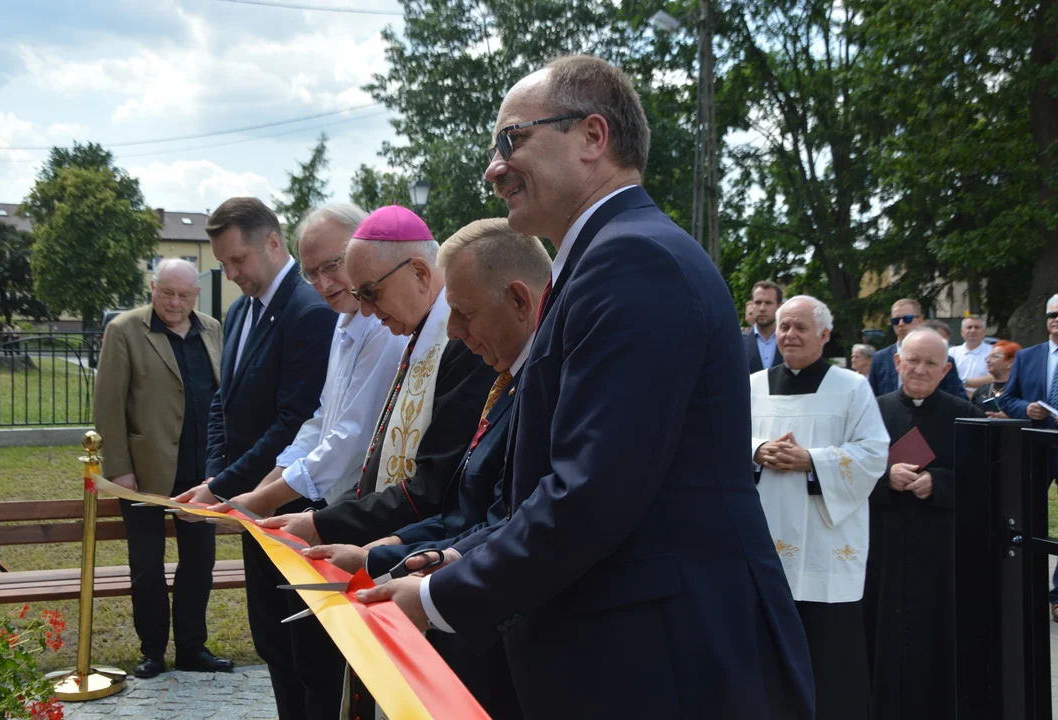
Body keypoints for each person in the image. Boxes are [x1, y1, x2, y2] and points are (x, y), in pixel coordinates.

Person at [357, 55, 814, 719]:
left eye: (511, 140)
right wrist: (445, 565)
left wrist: (436, 599)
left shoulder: (633, 260)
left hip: (661, 660)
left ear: (592, 138)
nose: (493, 168)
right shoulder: (609, 258)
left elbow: (592, 492)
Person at [257, 206, 498, 720]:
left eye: (369, 292)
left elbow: (430, 485)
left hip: (428, 559)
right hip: (399, 545)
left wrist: (329, 525)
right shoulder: (414, 330)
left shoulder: (456, 344)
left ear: (417, 272)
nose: (364, 309)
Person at [307, 218, 550, 720]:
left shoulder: (539, 387)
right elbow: (467, 502)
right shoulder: (507, 376)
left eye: (463, 313)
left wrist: (422, 569)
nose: (454, 331)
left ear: (522, 303)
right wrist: (388, 552)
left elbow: (504, 517)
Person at [202, 203, 406, 716]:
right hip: (316, 510)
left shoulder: (378, 323)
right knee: (305, 660)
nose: (323, 281)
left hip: (355, 517)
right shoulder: (344, 320)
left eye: (332, 265)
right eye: (313, 271)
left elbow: (349, 437)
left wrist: (263, 494)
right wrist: (258, 488)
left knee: (333, 669)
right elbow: (318, 420)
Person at [173, 197, 337, 720]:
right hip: (251, 504)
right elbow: (223, 402)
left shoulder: (309, 310)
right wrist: (217, 475)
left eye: (238, 260)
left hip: (293, 505)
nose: (232, 272)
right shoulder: (241, 310)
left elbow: (293, 421)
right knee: (269, 637)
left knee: (305, 649)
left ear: (272, 242)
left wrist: (226, 486)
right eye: (223, 263)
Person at [751, 296, 888, 720]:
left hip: (823, 538)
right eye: (784, 326)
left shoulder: (850, 387)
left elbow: (873, 453)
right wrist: (757, 450)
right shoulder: (752, 386)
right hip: (763, 532)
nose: (789, 335)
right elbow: (719, 440)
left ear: (825, 336)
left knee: (826, 651)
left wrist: (812, 460)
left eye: (800, 328)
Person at [92, 259, 229, 679]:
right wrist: (119, 470)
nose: (174, 302)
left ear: (197, 295)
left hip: (202, 473)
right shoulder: (124, 330)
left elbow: (222, 398)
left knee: (199, 563)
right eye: (166, 292)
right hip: (143, 473)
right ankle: (152, 651)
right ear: (152, 287)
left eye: (184, 295)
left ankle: (192, 648)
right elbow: (108, 406)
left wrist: (222, 467)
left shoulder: (212, 329)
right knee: (147, 568)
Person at [864, 329, 985, 720]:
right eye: (912, 360)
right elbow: (843, 471)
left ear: (946, 369)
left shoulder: (968, 417)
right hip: (880, 547)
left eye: (931, 363)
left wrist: (941, 482)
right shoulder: (870, 411)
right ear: (897, 362)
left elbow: (986, 480)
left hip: (938, 551)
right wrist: (885, 477)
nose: (920, 369)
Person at [999, 293, 1058, 621]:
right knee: (1027, 517)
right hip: (1036, 447)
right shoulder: (1029, 356)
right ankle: (1022, 588)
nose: (1056, 319)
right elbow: (1007, 399)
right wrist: (1027, 408)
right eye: (1052, 314)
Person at [868, 298, 964, 397]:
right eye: (895, 320)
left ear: (920, 320)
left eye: (907, 319)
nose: (901, 324)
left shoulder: (943, 359)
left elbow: (956, 398)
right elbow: (872, 398)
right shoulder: (880, 358)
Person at [970, 340, 1019, 416]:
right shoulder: (981, 390)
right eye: (987, 357)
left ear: (1011, 362)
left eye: (995, 356)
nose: (988, 361)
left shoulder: (1020, 389)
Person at [745, 280, 784, 373]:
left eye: (768, 303)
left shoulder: (791, 341)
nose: (762, 308)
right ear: (752, 305)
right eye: (758, 302)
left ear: (779, 306)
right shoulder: (738, 343)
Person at [950, 315, 992, 393]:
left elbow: (994, 377)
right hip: (955, 398)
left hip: (982, 399)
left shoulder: (992, 351)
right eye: (969, 327)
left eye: (977, 327)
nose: (973, 330)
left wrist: (965, 383)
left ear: (984, 332)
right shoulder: (952, 352)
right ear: (962, 332)